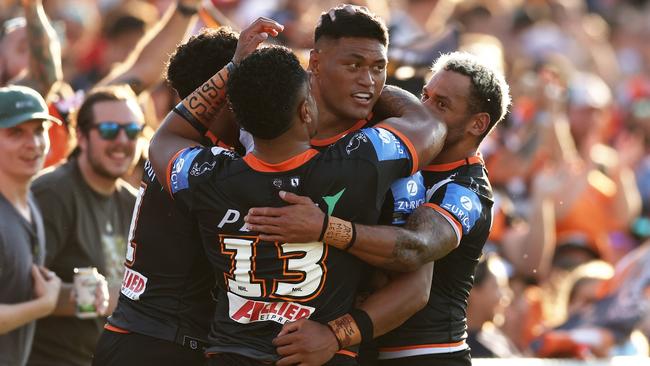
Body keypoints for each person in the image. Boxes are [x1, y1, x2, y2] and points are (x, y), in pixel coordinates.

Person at [149, 39, 444, 366]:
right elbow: (427, 125)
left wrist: (232, 69)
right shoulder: (357, 168)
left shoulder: (208, 177)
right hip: (318, 357)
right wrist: (366, 86)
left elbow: (164, 138)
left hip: (230, 355)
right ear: (305, 110)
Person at [246, 51, 511, 365]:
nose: (424, 110)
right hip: (367, 350)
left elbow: (416, 248)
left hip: (428, 355)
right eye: (424, 96)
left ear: (477, 124)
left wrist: (323, 227)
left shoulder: (465, 189)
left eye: (441, 105)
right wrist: (334, 77)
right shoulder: (402, 153)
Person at [91, 27, 239, 366]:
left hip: (134, 337)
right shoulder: (207, 162)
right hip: (163, 346)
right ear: (228, 92)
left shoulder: (175, 152)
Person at [28, 85, 143, 366]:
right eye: (108, 131)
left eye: (131, 131)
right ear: (80, 136)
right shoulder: (53, 193)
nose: (121, 141)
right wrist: (95, 299)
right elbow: (17, 287)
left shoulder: (134, 203)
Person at [0, 85, 62, 366]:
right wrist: (43, 305)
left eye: (39, 131)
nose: (34, 144)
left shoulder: (30, 201)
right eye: (16, 133)